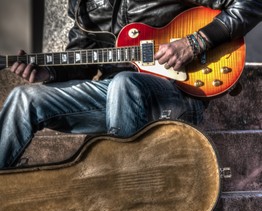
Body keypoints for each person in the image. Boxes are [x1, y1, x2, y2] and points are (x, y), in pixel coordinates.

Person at [0, 0, 261, 169]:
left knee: (123, 84)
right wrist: (49, 73)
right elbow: (83, 60)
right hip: (113, 93)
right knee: (24, 98)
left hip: (177, 91)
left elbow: (250, 4)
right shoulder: (85, 5)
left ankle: (120, 193)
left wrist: (195, 43)